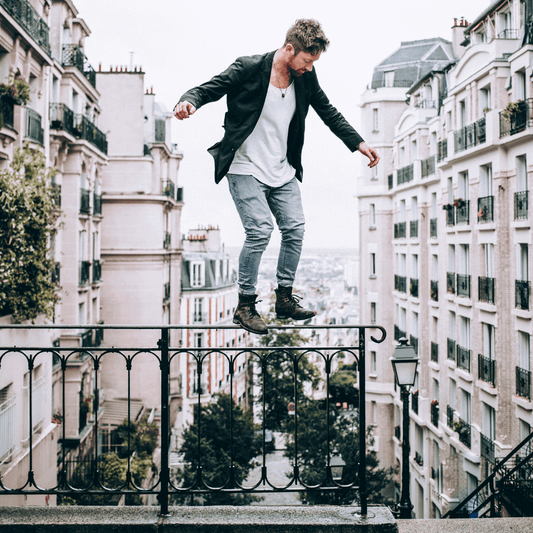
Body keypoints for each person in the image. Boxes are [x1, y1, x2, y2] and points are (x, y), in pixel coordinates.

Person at [174, 19, 379, 335]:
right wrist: (189, 102)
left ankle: (284, 298)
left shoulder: (305, 79)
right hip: (244, 167)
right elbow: (209, 88)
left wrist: (358, 143)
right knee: (260, 229)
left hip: (281, 170)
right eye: (307, 61)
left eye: (313, 63)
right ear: (289, 49)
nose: (309, 68)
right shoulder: (250, 67)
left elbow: (328, 111)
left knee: (295, 228)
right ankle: (245, 304)